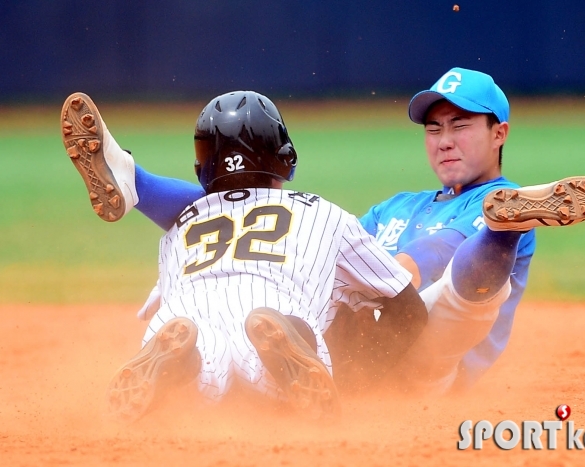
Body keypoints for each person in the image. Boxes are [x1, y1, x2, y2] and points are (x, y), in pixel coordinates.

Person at [60, 67, 585, 397]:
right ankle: (130, 181)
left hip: (426, 366)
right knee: (303, 222)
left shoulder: (478, 202)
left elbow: (418, 263)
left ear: (500, 134)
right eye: (435, 128)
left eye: (462, 126)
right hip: (358, 351)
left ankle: (501, 233)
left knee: (447, 296)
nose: (444, 139)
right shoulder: (399, 204)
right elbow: (314, 239)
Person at [60, 90, 428, 423]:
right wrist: (360, 376)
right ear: (286, 157)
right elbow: (408, 309)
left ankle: (181, 362)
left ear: (202, 170)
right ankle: (292, 338)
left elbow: (160, 302)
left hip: (185, 315)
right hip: (270, 309)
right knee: (276, 367)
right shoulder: (324, 212)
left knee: (199, 377)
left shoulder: (180, 226)